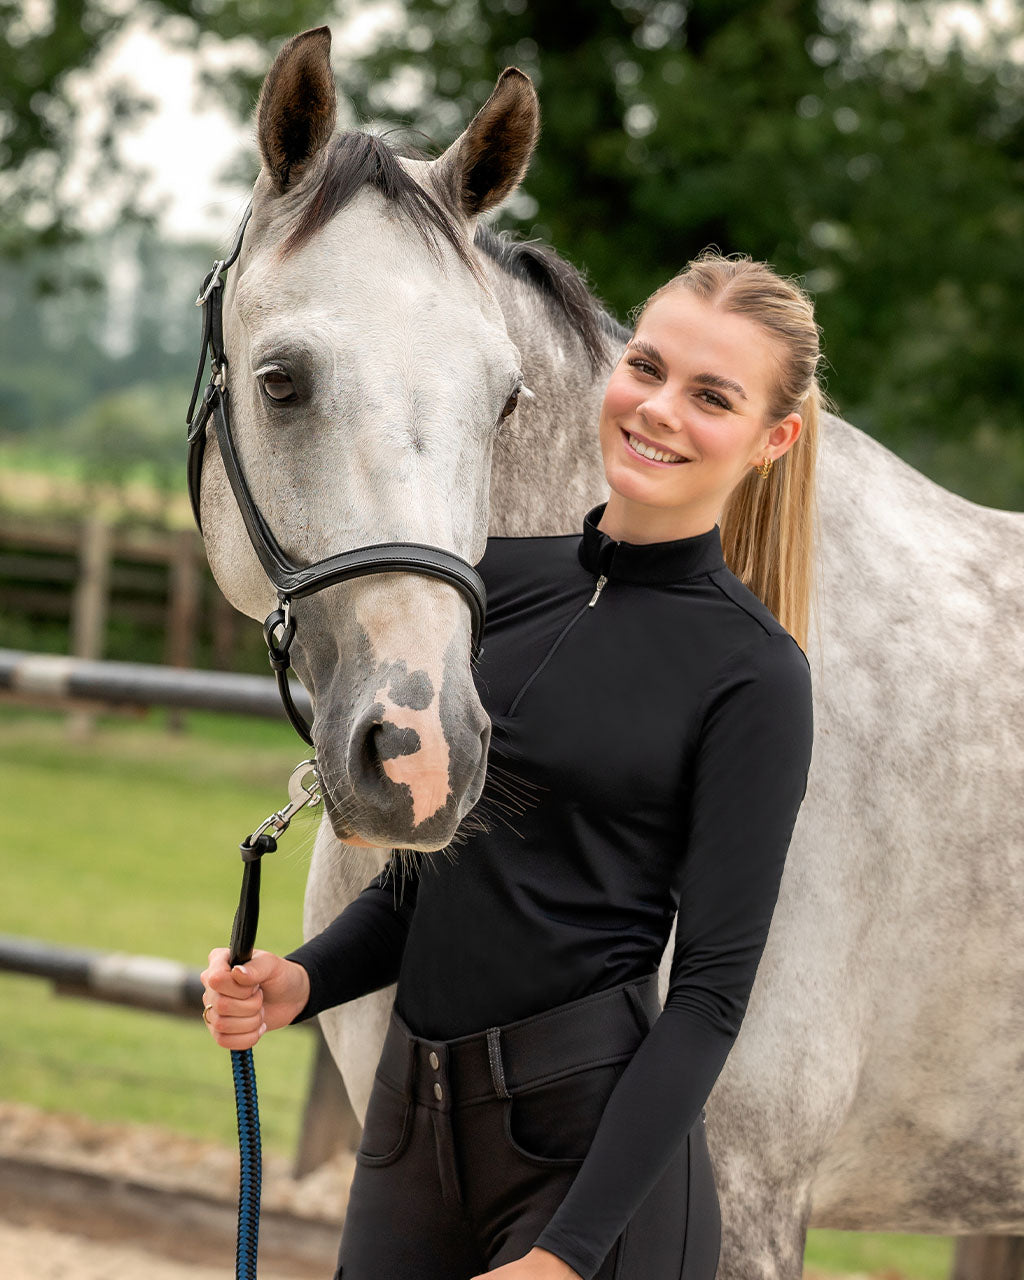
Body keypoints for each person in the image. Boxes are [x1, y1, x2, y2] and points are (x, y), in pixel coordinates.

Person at [201, 250, 820, 1280]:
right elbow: (432, 886)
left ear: (773, 438)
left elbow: (710, 995)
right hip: (412, 1135)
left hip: (587, 1171)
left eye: (711, 396)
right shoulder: (488, 589)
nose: (660, 408)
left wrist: (567, 1253)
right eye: (647, 367)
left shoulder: (753, 673)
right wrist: (299, 982)